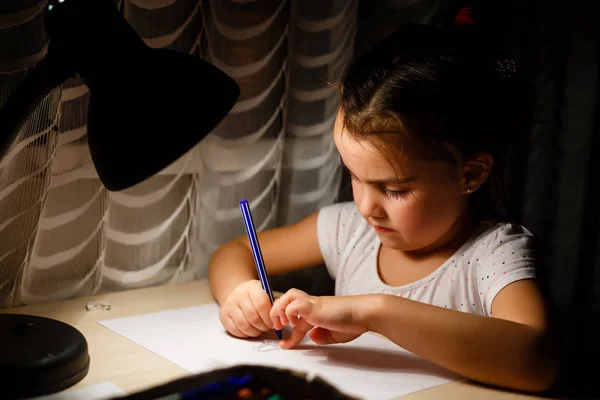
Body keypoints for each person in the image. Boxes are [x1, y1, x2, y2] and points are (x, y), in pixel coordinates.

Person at [208, 11, 559, 393]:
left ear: (470, 174)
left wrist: (375, 311)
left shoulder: (495, 255)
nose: (366, 206)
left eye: (394, 189)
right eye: (354, 177)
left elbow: (536, 361)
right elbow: (236, 250)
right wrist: (240, 294)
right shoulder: (350, 230)